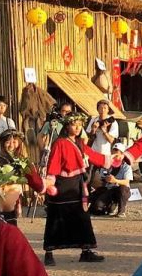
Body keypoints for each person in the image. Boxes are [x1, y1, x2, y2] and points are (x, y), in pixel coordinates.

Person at [42, 111, 107, 266]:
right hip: (62, 186)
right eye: (74, 124)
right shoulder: (59, 143)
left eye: (79, 125)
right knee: (56, 218)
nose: (77, 128)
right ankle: (49, 253)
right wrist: (50, 183)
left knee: (82, 218)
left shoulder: (79, 143)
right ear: (67, 126)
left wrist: (112, 159)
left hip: (77, 186)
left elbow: (93, 155)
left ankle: (86, 251)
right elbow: (53, 164)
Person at [0, 129, 45, 225]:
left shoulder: (21, 161)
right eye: (8, 142)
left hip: (11, 203)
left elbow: (35, 181)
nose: (11, 145)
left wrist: (41, 186)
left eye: (14, 142)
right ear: (2, 143)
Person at [88, 142, 133, 217]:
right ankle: (110, 207)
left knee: (123, 188)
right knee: (97, 207)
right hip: (109, 189)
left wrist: (115, 181)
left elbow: (126, 182)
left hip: (120, 189)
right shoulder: (107, 164)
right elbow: (102, 177)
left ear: (122, 155)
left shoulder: (126, 166)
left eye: (116, 154)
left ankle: (121, 211)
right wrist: (105, 179)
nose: (114, 156)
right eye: (113, 153)